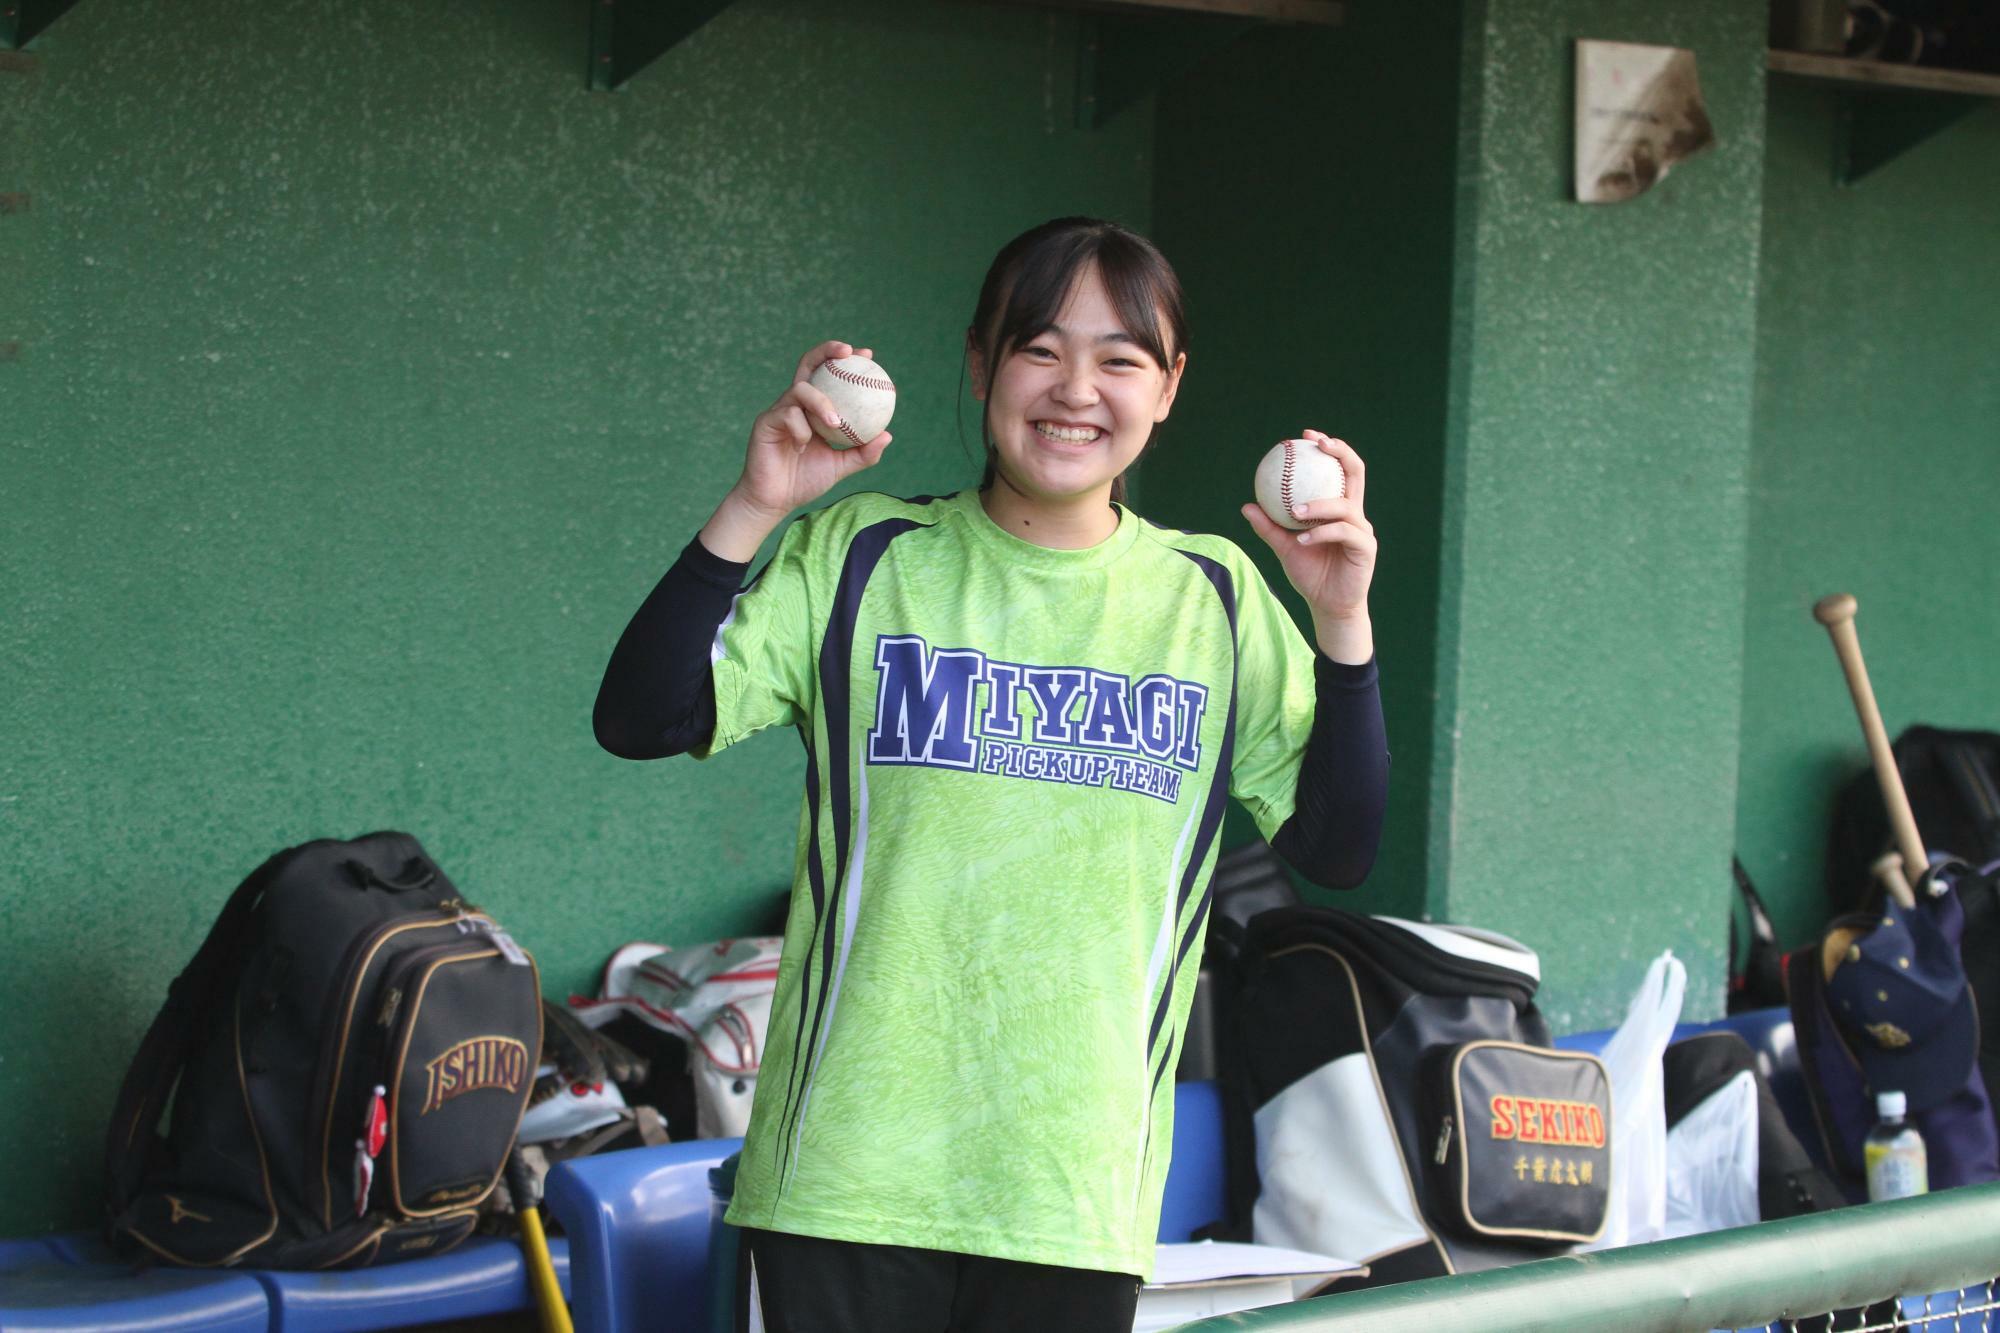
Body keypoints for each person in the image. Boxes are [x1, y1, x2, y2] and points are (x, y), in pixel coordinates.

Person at [593, 216, 1388, 1332]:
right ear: (979, 363)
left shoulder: (1210, 596)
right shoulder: (865, 555)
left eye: (1120, 358)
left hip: (1070, 1190)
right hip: (846, 1178)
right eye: (1039, 348)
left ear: (1167, 388)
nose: (1075, 388)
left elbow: (1337, 846)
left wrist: (1339, 617)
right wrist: (759, 502)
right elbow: (640, 715)